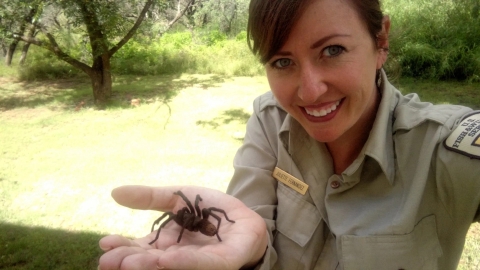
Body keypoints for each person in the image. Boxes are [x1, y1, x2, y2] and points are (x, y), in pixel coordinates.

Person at [98, 0, 480, 269]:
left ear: (381, 40)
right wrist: (248, 252)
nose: (310, 91)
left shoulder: (444, 146)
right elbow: (246, 226)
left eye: (332, 50)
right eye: (282, 61)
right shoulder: (270, 121)